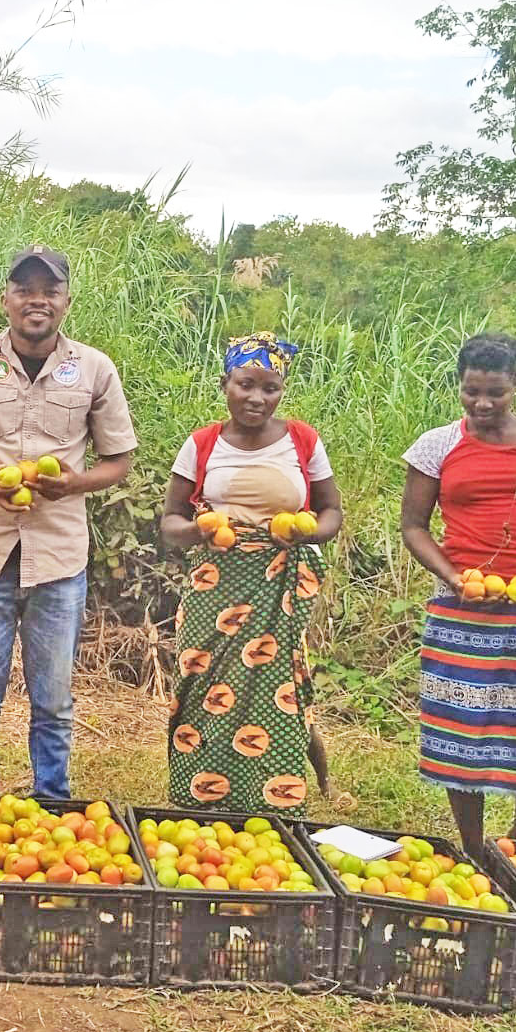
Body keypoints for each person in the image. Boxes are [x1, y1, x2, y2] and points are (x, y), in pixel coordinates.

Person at [0, 245, 136, 800]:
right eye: (24, 289)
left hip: (59, 559)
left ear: (66, 301)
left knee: (54, 703)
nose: (37, 300)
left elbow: (119, 461)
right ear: (5, 299)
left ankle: (51, 807)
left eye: (49, 290)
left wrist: (74, 483)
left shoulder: (95, 369)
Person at [159, 332, 343, 816]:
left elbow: (331, 512)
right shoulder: (202, 444)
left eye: (270, 387)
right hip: (214, 582)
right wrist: (199, 530)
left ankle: (275, 799)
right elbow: (171, 522)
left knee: (275, 682)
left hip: (280, 580)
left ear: (282, 390)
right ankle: (199, 796)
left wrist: (305, 533)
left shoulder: (303, 440)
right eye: (245, 384)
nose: (257, 397)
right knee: (201, 680)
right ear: (225, 384)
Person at [401, 332, 516, 856]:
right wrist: (455, 578)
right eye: (471, 392)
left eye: (495, 393)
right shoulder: (437, 445)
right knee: (460, 725)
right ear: (459, 385)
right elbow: (414, 527)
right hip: (461, 610)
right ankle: (472, 848)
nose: (482, 404)